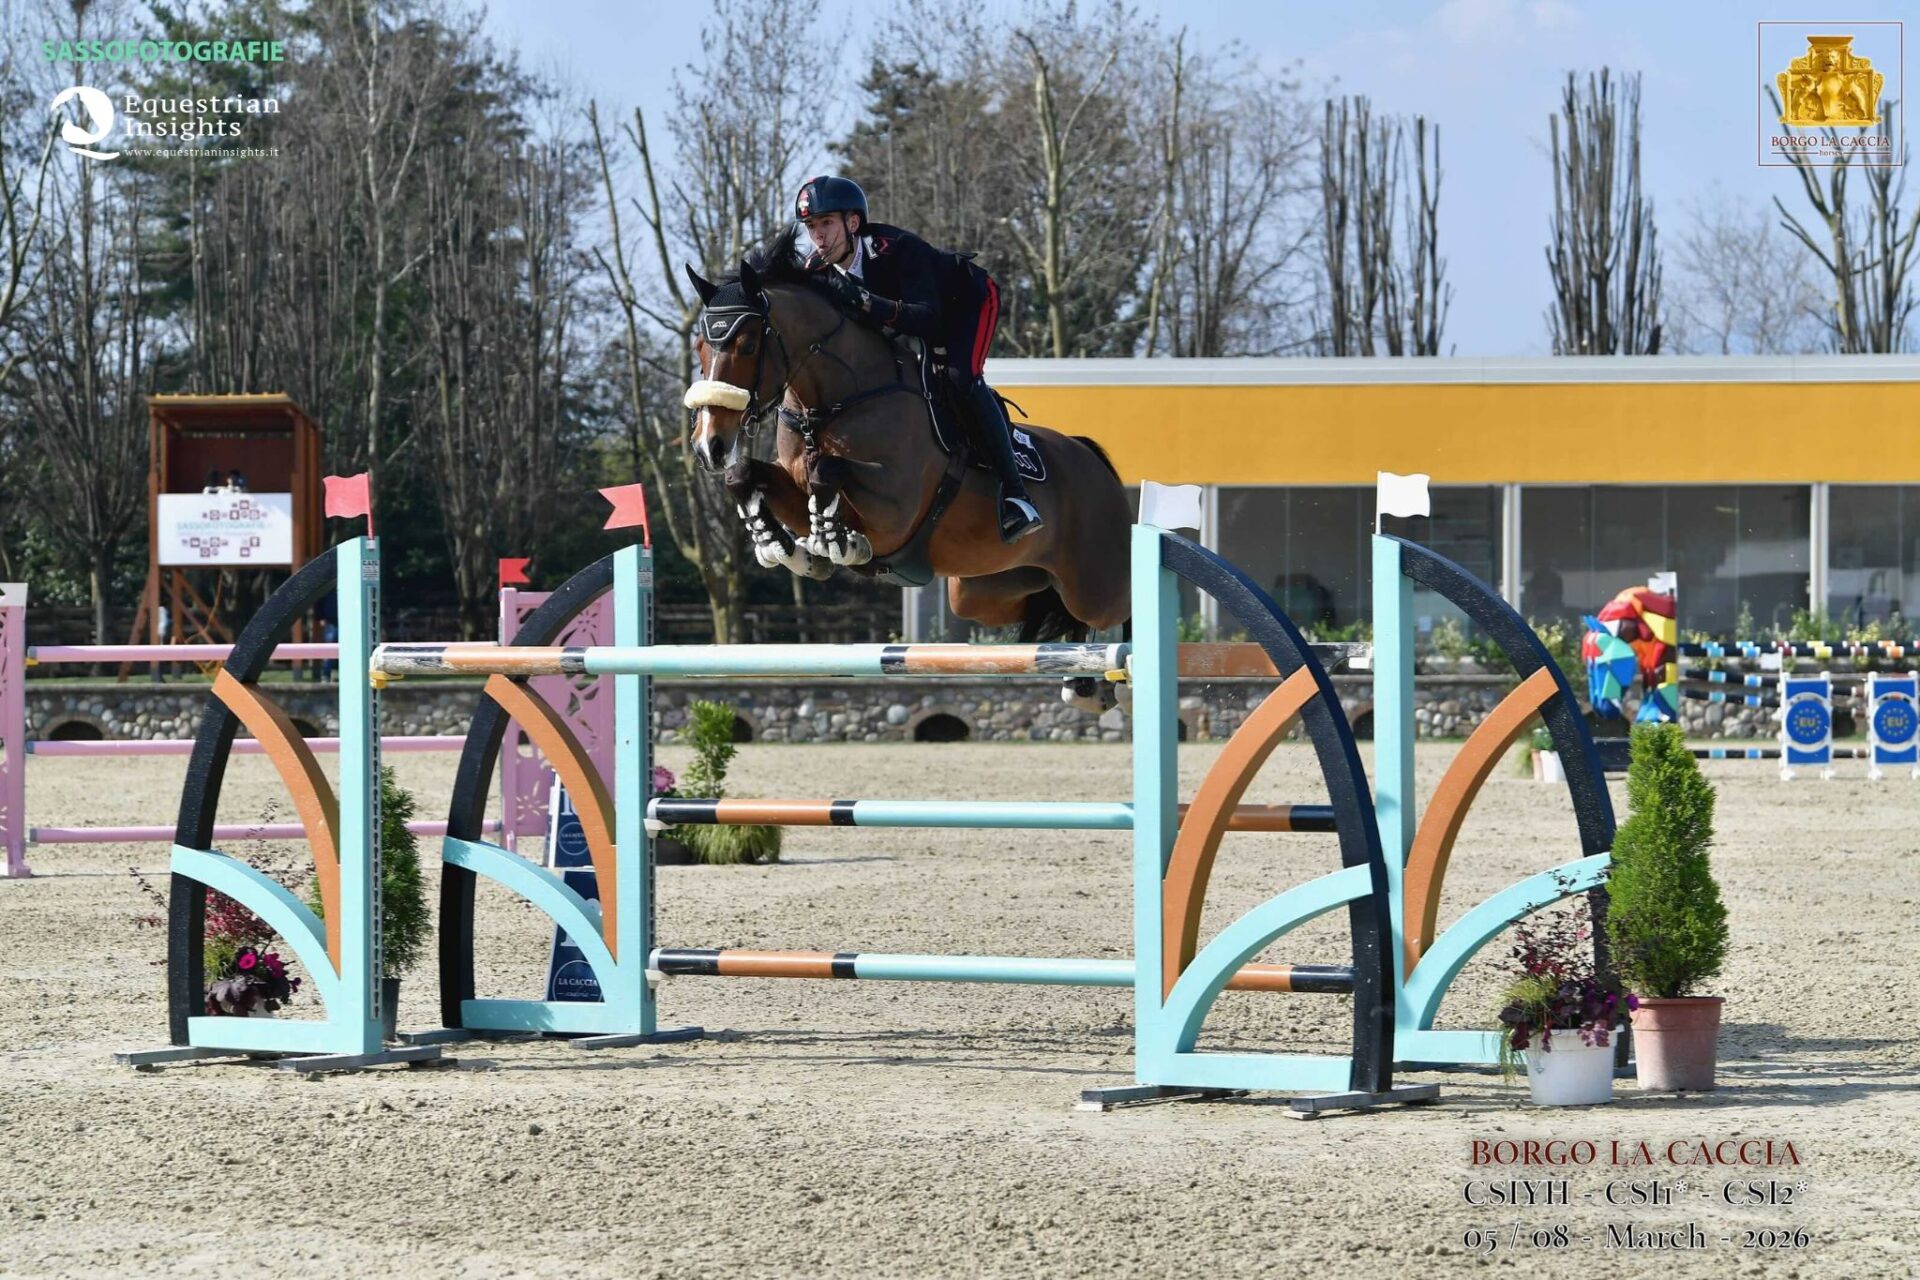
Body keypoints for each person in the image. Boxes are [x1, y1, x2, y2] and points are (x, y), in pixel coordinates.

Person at [792, 175, 1042, 544]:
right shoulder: (816, 270)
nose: (819, 237)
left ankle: (1016, 495)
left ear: (853, 222)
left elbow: (929, 318)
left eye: (826, 223)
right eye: (812, 227)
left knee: (960, 377)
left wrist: (865, 302)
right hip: (909, 317)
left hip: (966, 304)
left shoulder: (897, 248)